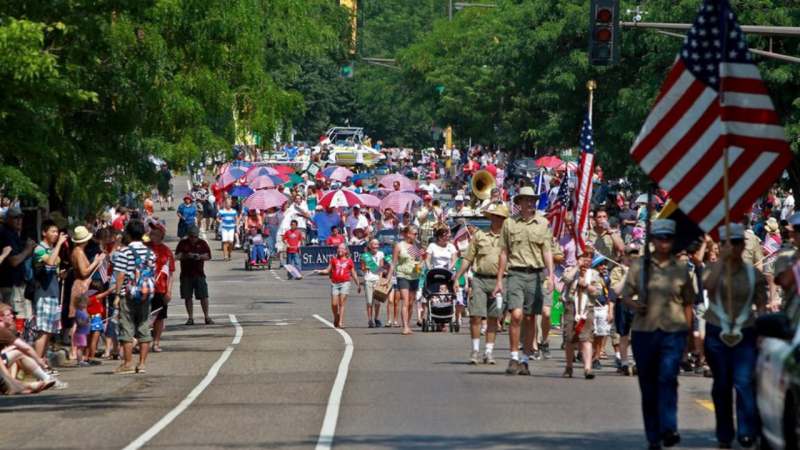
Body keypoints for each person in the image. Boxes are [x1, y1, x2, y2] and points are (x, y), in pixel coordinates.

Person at [620, 219, 696, 449]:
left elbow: (688, 304)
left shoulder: (681, 269)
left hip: (673, 331)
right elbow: (624, 295)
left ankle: (669, 427)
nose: (664, 243)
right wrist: (635, 306)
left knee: (668, 379)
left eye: (668, 239)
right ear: (652, 240)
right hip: (645, 332)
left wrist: (690, 339)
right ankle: (653, 435)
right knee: (648, 385)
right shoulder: (640, 266)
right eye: (660, 238)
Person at [702, 224, 766, 449]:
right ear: (721, 246)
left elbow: (761, 304)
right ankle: (724, 434)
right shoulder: (711, 267)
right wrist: (722, 261)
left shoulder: (753, 274)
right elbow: (708, 287)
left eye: (738, 243)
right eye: (729, 243)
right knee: (722, 383)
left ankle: (747, 431)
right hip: (716, 329)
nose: (735, 247)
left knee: (743, 381)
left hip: (745, 331)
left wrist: (763, 332)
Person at [492, 186, 554, 376]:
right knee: (516, 315)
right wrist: (499, 280)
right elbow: (504, 252)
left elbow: (547, 250)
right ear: (519, 202)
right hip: (516, 273)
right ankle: (513, 357)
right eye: (526, 199)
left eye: (532, 200)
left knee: (530, 317)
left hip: (535, 274)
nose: (530, 203)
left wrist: (550, 274)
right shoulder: (510, 224)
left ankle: (525, 359)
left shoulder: (542, 224)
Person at [454, 205, 509, 365]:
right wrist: (457, 277)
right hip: (479, 279)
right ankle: (475, 350)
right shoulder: (480, 235)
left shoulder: (509, 238)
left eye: (501, 217)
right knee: (476, 315)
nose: (498, 219)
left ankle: (489, 352)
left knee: (494, 317)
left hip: (500, 281)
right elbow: (468, 258)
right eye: (495, 216)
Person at [111, 220, 156, 375]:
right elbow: (153, 274)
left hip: (128, 295)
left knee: (127, 328)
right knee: (144, 328)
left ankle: (128, 364)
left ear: (128, 235)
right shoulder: (150, 253)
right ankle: (142, 364)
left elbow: (120, 275)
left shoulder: (125, 253)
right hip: (145, 294)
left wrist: (118, 294)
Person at [561, 248, 603, 378]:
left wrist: (586, 285)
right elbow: (566, 279)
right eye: (585, 257)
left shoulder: (594, 274)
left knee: (587, 338)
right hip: (572, 307)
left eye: (590, 257)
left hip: (587, 308)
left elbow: (598, 292)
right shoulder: (571, 270)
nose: (588, 260)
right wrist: (577, 267)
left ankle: (587, 368)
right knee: (570, 338)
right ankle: (569, 367)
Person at [32, 221, 68, 365]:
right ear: (44, 232)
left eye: (57, 232)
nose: (55, 235)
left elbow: (51, 269)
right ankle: (35, 365)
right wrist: (59, 244)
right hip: (43, 294)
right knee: (43, 331)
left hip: (53, 292)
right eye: (52, 231)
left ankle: (43, 363)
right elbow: (50, 262)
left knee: (50, 331)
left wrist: (60, 275)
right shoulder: (39, 249)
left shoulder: (51, 249)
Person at [382, 225, 423, 335]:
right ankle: (405, 327)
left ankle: (408, 326)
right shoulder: (399, 246)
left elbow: (422, 260)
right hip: (402, 275)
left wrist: (421, 265)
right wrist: (387, 278)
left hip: (415, 276)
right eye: (415, 234)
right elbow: (393, 264)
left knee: (410, 303)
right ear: (408, 234)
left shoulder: (417, 246)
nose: (416, 235)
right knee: (405, 302)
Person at [0, 207, 36, 321]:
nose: (19, 220)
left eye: (21, 217)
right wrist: (27, 249)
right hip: (11, 285)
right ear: (7, 219)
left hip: (15, 284)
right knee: (13, 319)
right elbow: (14, 261)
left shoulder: (14, 235)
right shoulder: (7, 235)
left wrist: (29, 251)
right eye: (16, 218)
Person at [314, 243, 361, 329]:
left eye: (342, 249)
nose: (340, 250)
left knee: (342, 302)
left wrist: (358, 284)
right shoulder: (334, 260)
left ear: (346, 251)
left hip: (345, 283)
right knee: (334, 304)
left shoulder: (349, 261)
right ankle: (336, 316)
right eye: (339, 248)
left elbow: (353, 273)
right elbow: (327, 270)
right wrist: (319, 271)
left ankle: (341, 322)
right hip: (335, 283)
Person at [145, 222, 175, 352]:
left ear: (161, 236)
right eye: (151, 233)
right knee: (143, 316)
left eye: (156, 234)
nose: (152, 236)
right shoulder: (144, 247)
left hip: (160, 288)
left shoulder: (166, 251)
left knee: (159, 317)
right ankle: (141, 341)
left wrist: (168, 291)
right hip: (144, 287)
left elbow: (171, 274)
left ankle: (156, 342)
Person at [175, 225, 213, 325]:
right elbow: (177, 256)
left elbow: (208, 256)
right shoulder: (182, 243)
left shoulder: (202, 243)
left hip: (199, 273)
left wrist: (199, 257)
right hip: (186, 274)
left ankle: (207, 316)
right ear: (188, 235)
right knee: (187, 296)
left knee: (203, 296)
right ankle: (190, 317)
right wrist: (187, 256)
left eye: (196, 236)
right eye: (192, 237)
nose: (194, 239)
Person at [361, 239, 385, 328]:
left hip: (377, 279)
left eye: (377, 244)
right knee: (369, 302)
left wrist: (381, 279)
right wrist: (365, 268)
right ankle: (370, 320)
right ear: (370, 246)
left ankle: (376, 318)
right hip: (368, 279)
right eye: (374, 244)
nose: (376, 245)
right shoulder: (364, 256)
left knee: (377, 302)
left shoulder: (380, 254)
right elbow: (362, 269)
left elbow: (382, 267)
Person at [72, 294, 91, 367]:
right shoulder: (78, 312)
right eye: (82, 303)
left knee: (81, 347)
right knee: (80, 347)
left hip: (83, 333)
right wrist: (86, 322)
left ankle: (81, 360)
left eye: (85, 303)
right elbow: (79, 323)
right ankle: (80, 361)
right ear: (78, 303)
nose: (84, 305)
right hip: (80, 333)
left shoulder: (82, 311)